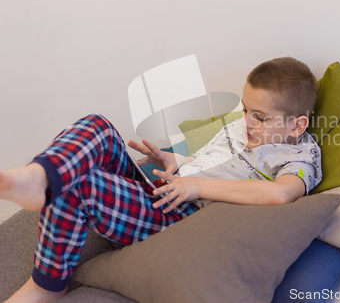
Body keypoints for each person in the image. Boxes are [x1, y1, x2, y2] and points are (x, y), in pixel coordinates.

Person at [0, 57, 322, 303]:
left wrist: (196, 186)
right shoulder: (241, 128)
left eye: (260, 117)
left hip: (183, 218)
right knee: (97, 124)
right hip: (167, 189)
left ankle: (47, 284)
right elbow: (206, 162)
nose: (246, 121)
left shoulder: (299, 156)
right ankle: (40, 175)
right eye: (246, 110)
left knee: (84, 185)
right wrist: (176, 161)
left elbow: (282, 195)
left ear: (296, 126)